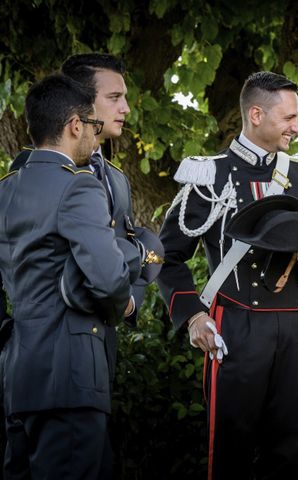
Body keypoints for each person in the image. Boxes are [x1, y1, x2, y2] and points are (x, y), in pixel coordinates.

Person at [157, 71, 298, 479]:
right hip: (235, 326)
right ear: (256, 114)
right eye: (289, 118)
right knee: (230, 452)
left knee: (289, 450)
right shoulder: (210, 175)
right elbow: (166, 256)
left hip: (296, 326)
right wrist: (193, 316)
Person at [0, 74, 137, 479]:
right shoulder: (79, 188)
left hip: (17, 377)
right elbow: (111, 278)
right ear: (75, 125)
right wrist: (124, 305)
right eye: (95, 126)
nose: (97, 137)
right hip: (73, 376)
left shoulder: (4, 190)